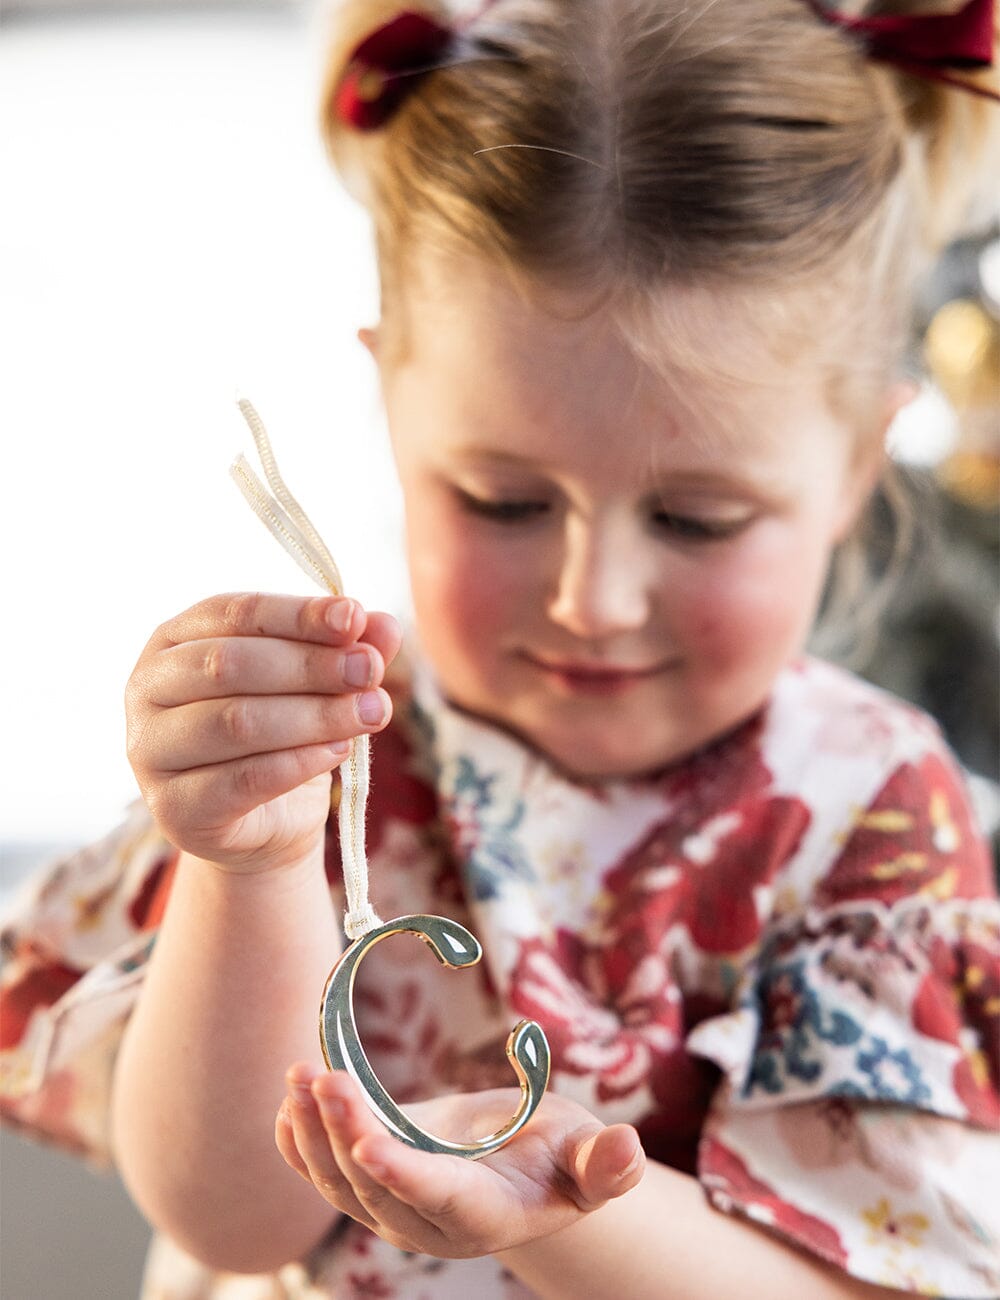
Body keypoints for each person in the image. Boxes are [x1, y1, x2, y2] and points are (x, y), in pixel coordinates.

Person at [2, 0, 999, 1296]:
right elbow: (230, 1218)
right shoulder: (338, 758)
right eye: (503, 501)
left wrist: (558, 1206)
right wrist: (247, 874)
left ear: (861, 461)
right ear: (393, 404)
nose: (594, 599)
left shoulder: (873, 815)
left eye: (697, 519)